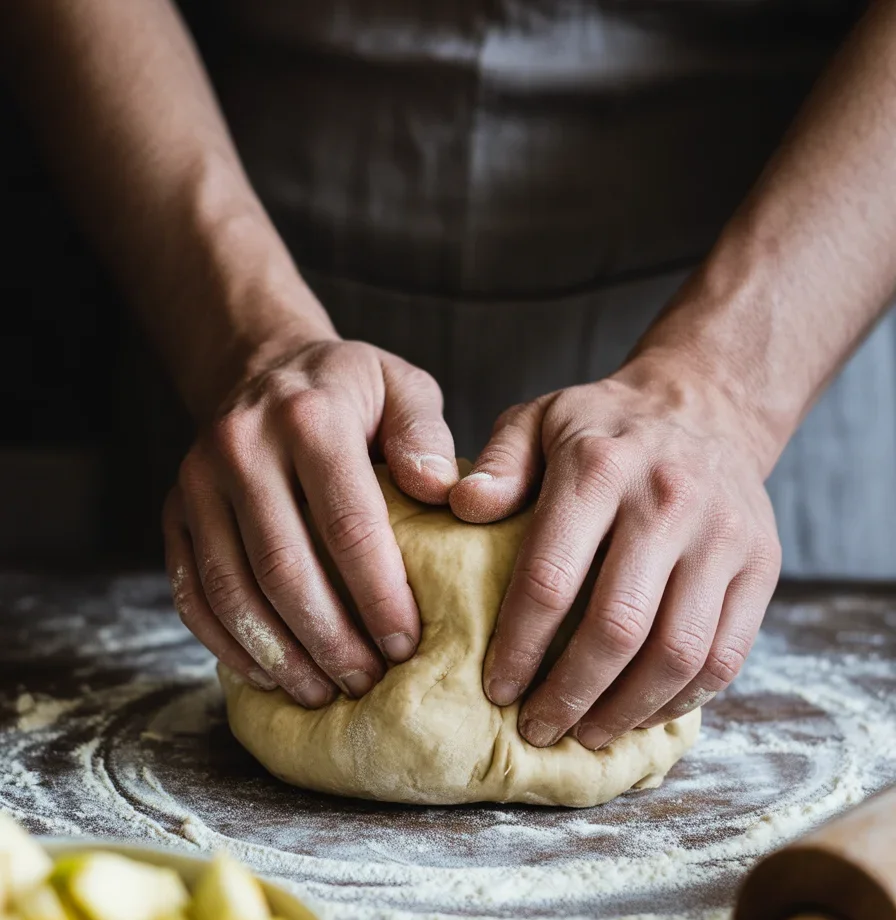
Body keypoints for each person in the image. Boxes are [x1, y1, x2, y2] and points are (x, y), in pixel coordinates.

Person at [2, 0, 892, 752]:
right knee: (256, 578)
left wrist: (723, 391)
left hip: (798, 266)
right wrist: (245, 342)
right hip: (218, 227)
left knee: (680, 626)